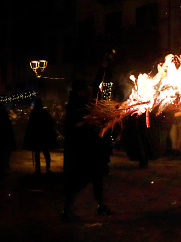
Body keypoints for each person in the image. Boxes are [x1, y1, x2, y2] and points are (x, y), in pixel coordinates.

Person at [61, 79, 113, 222]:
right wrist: (88, 120)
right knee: (78, 181)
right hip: (81, 151)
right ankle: (67, 209)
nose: (89, 91)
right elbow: (73, 127)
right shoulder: (74, 105)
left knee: (97, 179)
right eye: (87, 88)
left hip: (92, 149)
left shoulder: (84, 103)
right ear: (80, 91)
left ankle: (101, 205)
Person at [23, 98, 58, 175]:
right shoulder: (44, 112)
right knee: (45, 152)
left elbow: (30, 125)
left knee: (37, 153)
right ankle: (47, 167)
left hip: (37, 136)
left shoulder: (34, 113)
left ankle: (38, 169)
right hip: (43, 135)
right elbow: (50, 123)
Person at [0, 105, 16, 177]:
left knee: (4, 153)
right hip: (5, 139)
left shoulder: (6, 122)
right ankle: (4, 167)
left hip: (4, 139)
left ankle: (4, 167)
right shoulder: (7, 121)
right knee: (5, 153)